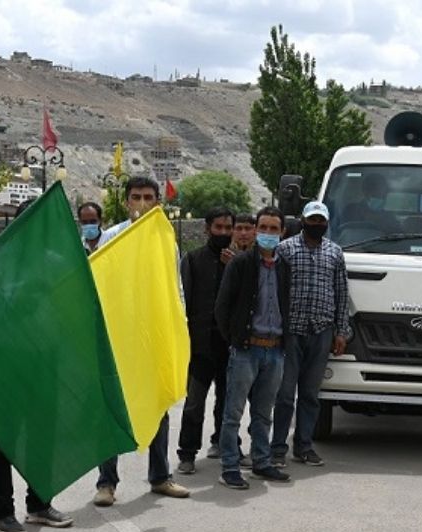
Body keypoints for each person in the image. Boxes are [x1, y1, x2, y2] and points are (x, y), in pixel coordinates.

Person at [92, 177, 189, 506]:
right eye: (136, 197)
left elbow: (173, 286)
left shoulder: (165, 241)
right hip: (119, 337)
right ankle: (106, 483)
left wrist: (179, 323)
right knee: (112, 409)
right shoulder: (112, 238)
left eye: (149, 197)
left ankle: (160, 477)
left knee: (158, 403)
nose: (142, 203)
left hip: (153, 335)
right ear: (127, 201)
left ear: (158, 201)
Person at [0, 198, 75, 532]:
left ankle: (39, 504)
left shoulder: (57, 262)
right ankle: (2, 512)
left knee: (43, 435)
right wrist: (24, 294)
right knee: (3, 439)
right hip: (4, 361)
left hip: (45, 360)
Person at [214, 207, 293, 489]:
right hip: (246, 349)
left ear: (282, 232)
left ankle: (261, 461)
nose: (268, 233)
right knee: (233, 413)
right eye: (264, 228)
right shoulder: (241, 264)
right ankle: (230, 466)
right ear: (256, 229)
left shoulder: (284, 266)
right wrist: (236, 339)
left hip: (275, 350)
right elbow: (222, 307)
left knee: (263, 413)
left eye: (274, 229)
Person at [270, 201, 351, 468]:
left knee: (310, 395)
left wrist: (341, 331)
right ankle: (277, 448)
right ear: (303, 220)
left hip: (322, 330)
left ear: (327, 223)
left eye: (320, 220)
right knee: (284, 395)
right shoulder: (285, 249)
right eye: (312, 219)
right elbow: (275, 290)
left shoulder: (335, 252)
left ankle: (304, 447)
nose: (316, 224)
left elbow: (341, 294)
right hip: (291, 331)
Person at [175, 208, 234, 475]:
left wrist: (232, 267)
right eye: (218, 227)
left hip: (229, 346)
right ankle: (187, 453)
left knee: (227, 401)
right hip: (200, 346)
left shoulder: (238, 262)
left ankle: (222, 443)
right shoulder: (193, 259)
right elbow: (183, 301)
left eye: (227, 228)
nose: (223, 232)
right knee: (194, 403)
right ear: (207, 229)